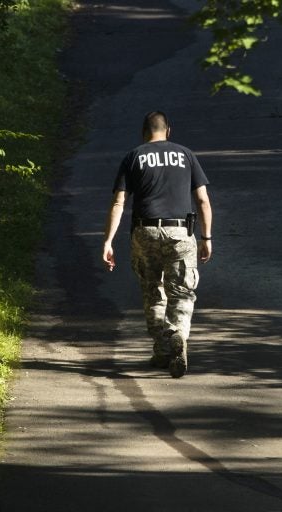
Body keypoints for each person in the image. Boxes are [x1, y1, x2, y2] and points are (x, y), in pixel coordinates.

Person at [102, 111, 212, 378]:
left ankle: (162, 351)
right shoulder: (185, 154)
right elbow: (203, 200)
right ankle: (177, 335)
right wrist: (207, 237)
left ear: (144, 132)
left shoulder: (134, 156)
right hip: (180, 232)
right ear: (168, 131)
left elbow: (119, 202)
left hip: (144, 231)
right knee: (182, 292)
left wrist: (108, 241)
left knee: (153, 290)